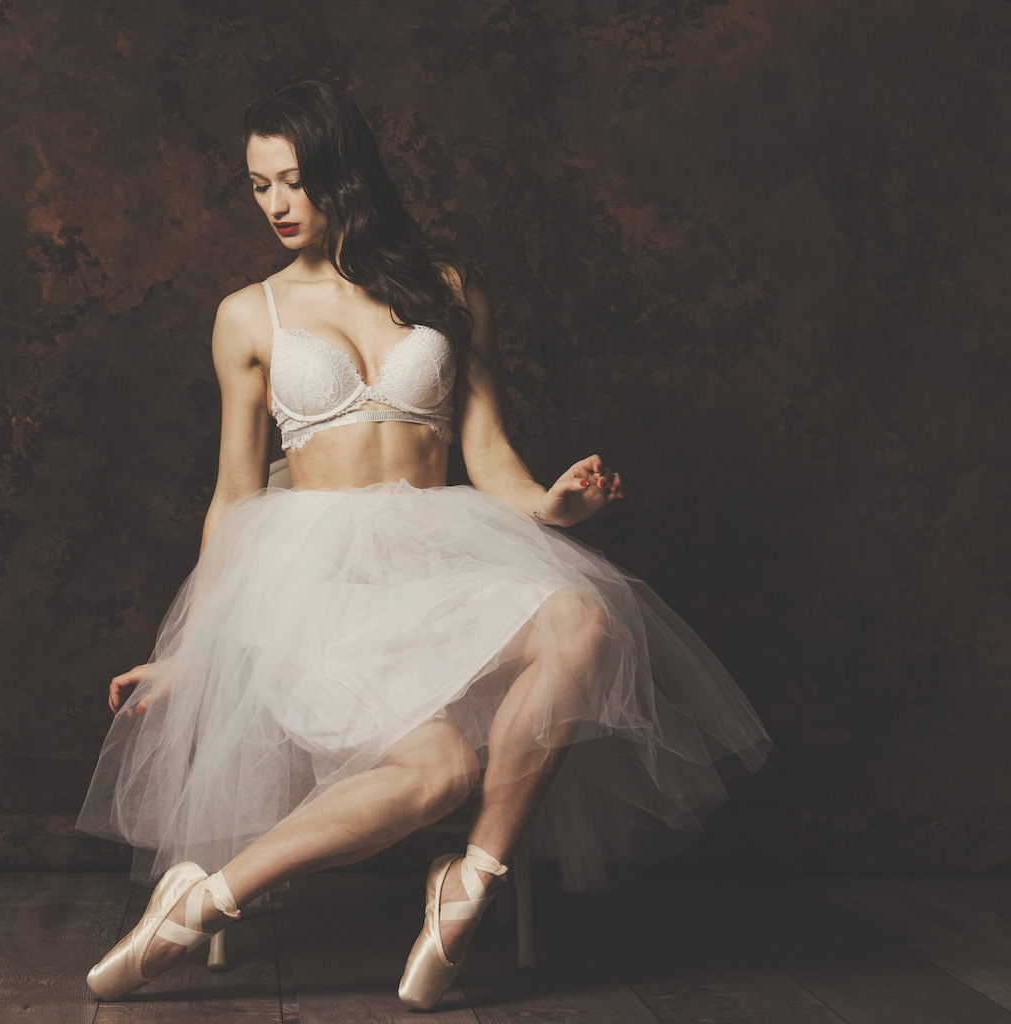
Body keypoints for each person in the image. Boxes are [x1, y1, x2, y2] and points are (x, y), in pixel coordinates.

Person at [75, 79, 772, 1010]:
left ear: (343, 173)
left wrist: (554, 507)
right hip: (314, 588)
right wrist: (189, 649)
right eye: (258, 185)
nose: (276, 204)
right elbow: (233, 497)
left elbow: (489, 454)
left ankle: (471, 880)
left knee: (584, 618)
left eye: (293, 180)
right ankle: (200, 902)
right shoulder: (249, 314)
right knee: (439, 771)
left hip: (440, 563)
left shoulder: (448, 285)